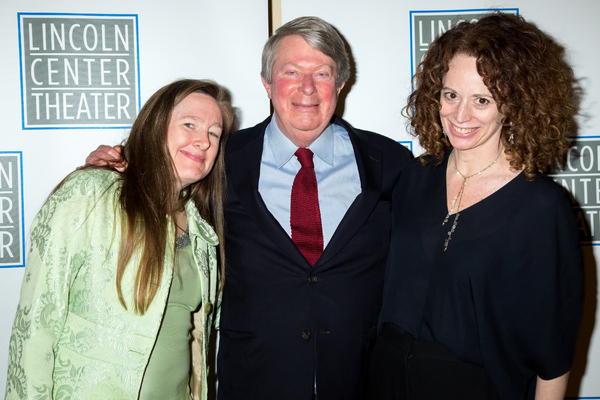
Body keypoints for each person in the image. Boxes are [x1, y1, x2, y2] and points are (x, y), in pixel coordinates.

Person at [85, 16, 412, 400]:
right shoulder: (219, 159)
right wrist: (114, 172)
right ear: (267, 82)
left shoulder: (388, 161)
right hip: (253, 383)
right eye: (291, 71)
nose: (307, 88)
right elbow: (158, 194)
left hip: (361, 384)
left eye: (322, 74)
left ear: (340, 84)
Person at [369, 13, 584, 400]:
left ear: (513, 104)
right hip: (387, 384)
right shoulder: (414, 179)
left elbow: (553, 355)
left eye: (481, 100)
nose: (460, 115)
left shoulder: (540, 207)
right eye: (451, 95)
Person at [5, 79, 235, 400]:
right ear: (155, 127)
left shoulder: (202, 233)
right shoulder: (91, 194)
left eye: (214, 133)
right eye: (189, 124)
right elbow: (36, 328)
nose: (203, 141)